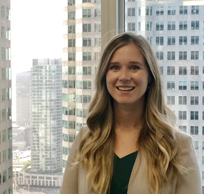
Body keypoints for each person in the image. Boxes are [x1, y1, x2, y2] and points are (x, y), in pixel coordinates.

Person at [60, 32, 201, 194]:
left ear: (150, 76)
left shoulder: (178, 146)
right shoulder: (86, 140)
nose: (124, 76)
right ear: (104, 76)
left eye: (134, 67)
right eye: (114, 67)